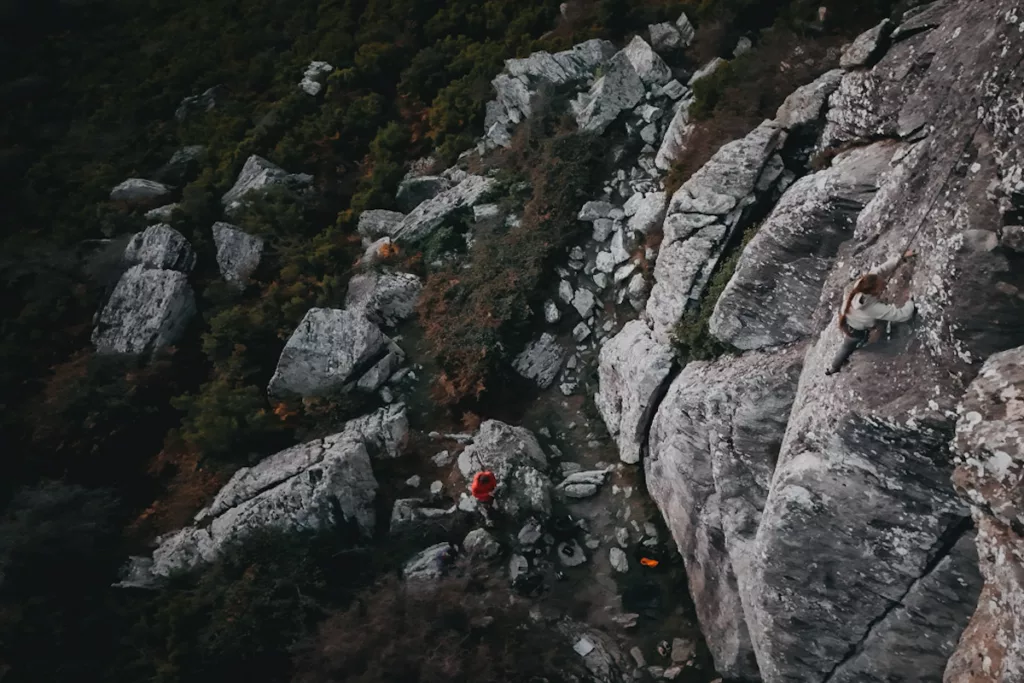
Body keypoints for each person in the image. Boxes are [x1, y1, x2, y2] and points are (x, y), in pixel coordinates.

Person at [825, 251, 916, 376]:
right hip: (856, 330)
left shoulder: (863, 284)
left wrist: (901, 257)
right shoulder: (871, 307)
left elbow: (881, 270)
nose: (884, 285)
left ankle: (834, 367)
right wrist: (910, 300)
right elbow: (904, 315)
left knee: (847, 344)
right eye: (881, 286)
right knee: (851, 345)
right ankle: (835, 367)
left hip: (848, 320)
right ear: (874, 290)